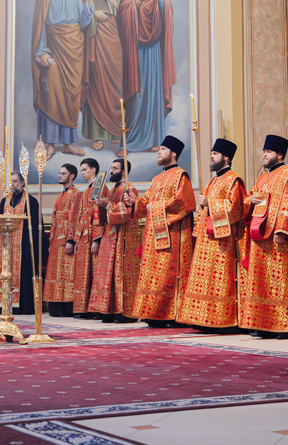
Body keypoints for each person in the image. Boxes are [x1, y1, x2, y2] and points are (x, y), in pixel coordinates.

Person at [178, 138, 247, 331]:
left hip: (223, 241)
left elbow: (236, 209)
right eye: (211, 153)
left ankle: (221, 320)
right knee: (204, 280)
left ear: (226, 157)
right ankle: (203, 317)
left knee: (219, 279)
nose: (211, 156)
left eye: (215, 154)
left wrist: (211, 204)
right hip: (206, 239)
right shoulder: (212, 181)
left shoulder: (234, 179)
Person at [32, 0, 93, 159]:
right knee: (51, 95)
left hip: (74, 49)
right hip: (54, 48)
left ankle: (67, 143)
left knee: (70, 95)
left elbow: (83, 22)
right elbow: (40, 27)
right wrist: (42, 53)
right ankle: (50, 144)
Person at [239, 134, 288, 338]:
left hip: (276, 237)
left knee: (279, 281)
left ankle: (284, 325)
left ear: (280, 154)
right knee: (260, 282)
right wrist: (251, 200)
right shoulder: (262, 178)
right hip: (258, 236)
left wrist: (282, 230)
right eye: (264, 151)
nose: (264, 155)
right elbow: (250, 199)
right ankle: (262, 324)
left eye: (269, 152)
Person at [131, 135, 196, 325]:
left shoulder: (181, 176)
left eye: (163, 149)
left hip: (173, 234)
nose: (158, 152)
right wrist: (134, 202)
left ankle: (172, 314)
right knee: (153, 275)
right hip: (153, 236)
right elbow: (146, 203)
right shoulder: (157, 178)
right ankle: (154, 313)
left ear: (173, 154)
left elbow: (184, 202)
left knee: (168, 273)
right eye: (159, 149)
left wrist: (158, 207)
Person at [118, 0, 176, 152]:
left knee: (154, 92)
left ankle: (154, 139)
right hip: (137, 50)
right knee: (140, 93)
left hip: (154, 49)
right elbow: (123, 16)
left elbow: (167, 13)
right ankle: (133, 138)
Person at [78, 0, 124, 150]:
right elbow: (79, 18)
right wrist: (94, 13)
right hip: (94, 41)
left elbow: (127, 16)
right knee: (96, 83)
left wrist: (113, 1)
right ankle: (97, 135)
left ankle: (115, 130)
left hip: (114, 42)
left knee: (115, 85)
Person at [89, 158, 141, 322]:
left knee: (120, 273)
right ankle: (109, 309)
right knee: (108, 274)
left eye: (115, 168)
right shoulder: (113, 189)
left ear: (124, 171)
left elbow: (127, 212)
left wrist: (108, 205)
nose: (111, 171)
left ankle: (124, 312)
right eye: (111, 168)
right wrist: (100, 206)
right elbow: (106, 214)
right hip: (110, 236)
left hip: (123, 237)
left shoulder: (129, 188)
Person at [0, 172, 42, 315]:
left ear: (22, 183)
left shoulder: (31, 201)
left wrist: (32, 249)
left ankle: (23, 307)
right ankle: (4, 305)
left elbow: (35, 227)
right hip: (6, 245)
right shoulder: (4, 201)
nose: (13, 184)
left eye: (15, 181)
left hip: (23, 247)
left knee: (24, 273)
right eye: (11, 181)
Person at [44, 162, 81, 316]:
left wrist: (70, 241)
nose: (60, 175)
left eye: (63, 173)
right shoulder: (60, 195)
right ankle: (55, 306)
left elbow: (74, 218)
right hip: (56, 240)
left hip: (66, 239)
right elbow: (54, 218)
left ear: (71, 176)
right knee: (56, 272)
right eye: (59, 173)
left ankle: (67, 307)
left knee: (67, 272)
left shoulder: (76, 194)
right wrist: (51, 239)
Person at [71, 158, 106, 318]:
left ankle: (95, 309)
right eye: (82, 170)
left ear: (93, 169)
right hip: (84, 235)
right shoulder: (86, 190)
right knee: (84, 272)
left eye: (85, 169)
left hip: (93, 236)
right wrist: (76, 239)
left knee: (94, 272)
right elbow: (81, 216)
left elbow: (100, 215)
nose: (83, 173)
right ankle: (83, 308)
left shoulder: (100, 187)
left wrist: (96, 239)